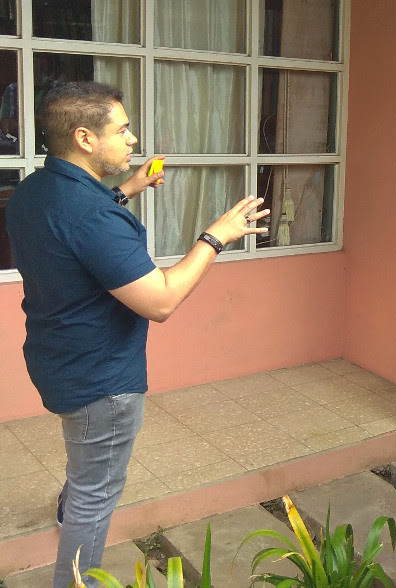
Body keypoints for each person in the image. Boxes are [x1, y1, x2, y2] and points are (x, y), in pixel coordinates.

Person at [5, 81, 268, 587]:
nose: (132, 139)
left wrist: (130, 189)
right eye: (122, 130)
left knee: (85, 457)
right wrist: (216, 237)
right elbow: (160, 300)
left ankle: (69, 502)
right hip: (101, 382)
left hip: (55, 357)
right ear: (85, 138)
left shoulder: (34, 191)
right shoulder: (93, 215)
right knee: (96, 494)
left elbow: (75, 228)